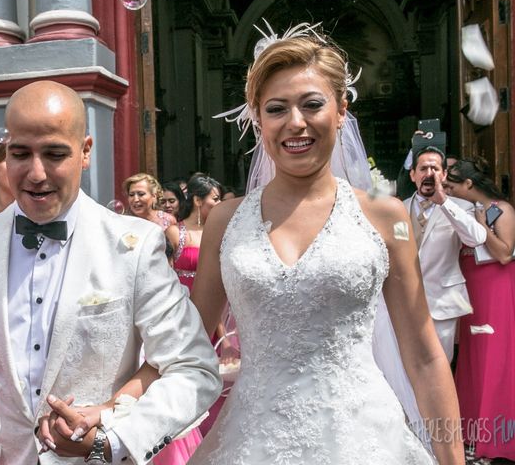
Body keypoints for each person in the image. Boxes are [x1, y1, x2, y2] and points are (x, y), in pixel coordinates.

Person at [188, 24, 464, 464]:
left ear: (341, 109)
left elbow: (425, 357)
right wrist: (118, 412)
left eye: (312, 104)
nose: (295, 122)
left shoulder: (385, 216)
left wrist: (453, 459)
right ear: (258, 118)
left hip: (363, 441)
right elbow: (189, 344)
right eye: (276, 108)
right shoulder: (225, 220)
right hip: (253, 443)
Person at [0, 80, 221, 465]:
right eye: (20, 154)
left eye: (54, 154)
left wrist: (113, 440)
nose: (35, 173)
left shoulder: (134, 245)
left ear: (85, 151)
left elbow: (194, 367)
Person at [445, 158, 515, 462]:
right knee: (472, 359)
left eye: (452, 185)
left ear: (469, 185)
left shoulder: (503, 209)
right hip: (469, 289)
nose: (447, 190)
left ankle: (499, 438)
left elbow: (504, 253)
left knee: (495, 358)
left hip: (496, 287)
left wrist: (482, 227)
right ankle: (471, 434)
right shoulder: (457, 209)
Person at [405, 145, 486, 361]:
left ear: (444, 174)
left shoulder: (461, 207)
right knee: (404, 367)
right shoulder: (398, 209)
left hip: (442, 301)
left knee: (440, 364)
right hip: (403, 303)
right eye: (423, 168)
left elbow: (477, 238)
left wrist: (445, 204)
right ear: (413, 174)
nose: (429, 174)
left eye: (434, 168)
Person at [164, 173, 229, 438]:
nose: (219, 203)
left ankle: (212, 427)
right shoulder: (173, 231)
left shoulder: (219, 231)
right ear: (198, 200)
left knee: (216, 368)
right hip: (181, 307)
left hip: (213, 305)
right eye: (215, 199)